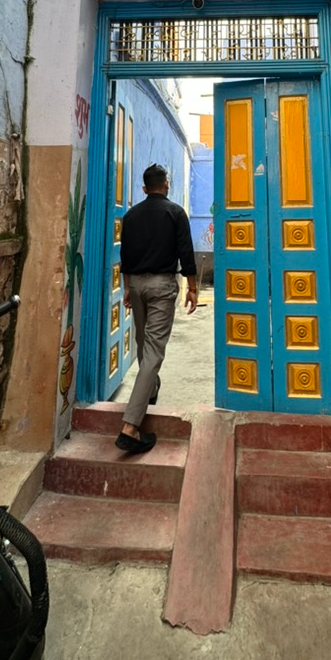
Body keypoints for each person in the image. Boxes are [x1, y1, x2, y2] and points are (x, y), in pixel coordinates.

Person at [116, 164, 197, 454]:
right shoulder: (175, 212)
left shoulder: (130, 215)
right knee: (152, 350)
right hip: (162, 286)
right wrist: (193, 287)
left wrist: (127, 287)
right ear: (166, 184)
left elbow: (124, 254)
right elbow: (185, 251)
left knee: (142, 342)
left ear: (144, 188)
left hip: (136, 284)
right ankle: (131, 426)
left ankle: (149, 389)